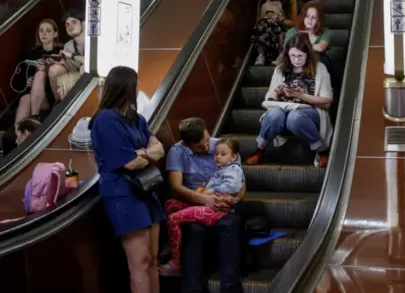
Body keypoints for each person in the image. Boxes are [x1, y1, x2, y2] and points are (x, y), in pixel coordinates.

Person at [90, 66, 166, 293]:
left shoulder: (137, 119)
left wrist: (143, 153)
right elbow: (129, 163)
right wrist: (144, 154)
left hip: (146, 189)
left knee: (153, 259)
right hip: (123, 194)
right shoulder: (106, 119)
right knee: (140, 261)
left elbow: (159, 149)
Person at [165, 117, 245, 293]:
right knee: (194, 231)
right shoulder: (178, 151)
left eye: (207, 140)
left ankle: (230, 288)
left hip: (225, 201)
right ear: (188, 145)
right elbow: (176, 187)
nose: (207, 147)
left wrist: (234, 199)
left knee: (228, 226)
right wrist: (203, 199)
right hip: (195, 201)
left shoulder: (223, 147)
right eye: (201, 145)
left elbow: (240, 182)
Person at [245, 33, 332, 168]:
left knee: (295, 117)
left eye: (300, 56)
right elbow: (270, 97)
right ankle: (260, 149)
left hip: (309, 112)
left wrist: (301, 95)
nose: (296, 60)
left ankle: (322, 150)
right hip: (283, 109)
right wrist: (277, 92)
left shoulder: (320, 68)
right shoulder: (281, 69)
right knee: (274, 114)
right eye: (292, 56)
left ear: (307, 54)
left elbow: (327, 102)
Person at [14, 19, 62, 122]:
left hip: (52, 94)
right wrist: (27, 82)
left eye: (48, 31)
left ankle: (35, 116)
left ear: (55, 34)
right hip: (33, 94)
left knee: (40, 74)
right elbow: (19, 81)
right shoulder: (32, 53)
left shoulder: (61, 51)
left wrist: (47, 69)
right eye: (41, 30)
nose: (44, 33)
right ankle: (19, 134)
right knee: (25, 98)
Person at [252, 0, 297, 66]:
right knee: (263, 24)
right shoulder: (263, 2)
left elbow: (294, 23)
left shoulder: (290, 1)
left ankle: (281, 54)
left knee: (272, 23)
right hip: (266, 31)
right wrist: (265, 18)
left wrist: (281, 19)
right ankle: (261, 54)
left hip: (283, 30)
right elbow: (258, 21)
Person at [49, 10, 85, 101]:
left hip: (96, 76)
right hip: (76, 73)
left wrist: (72, 55)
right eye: (67, 24)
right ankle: (59, 104)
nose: (70, 26)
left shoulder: (94, 40)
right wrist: (60, 63)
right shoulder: (68, 46)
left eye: (74, 22)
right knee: (54, 69)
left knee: (83, 69)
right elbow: (70, 67)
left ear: (83, 23)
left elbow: (92, 63)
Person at [251, 1, 286, 66]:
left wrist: (280, 19)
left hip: (278, 28)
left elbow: (289, 22)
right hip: (265, 29)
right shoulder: (264, 5)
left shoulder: (283, 5)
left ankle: (278, 55)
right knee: (261, 25)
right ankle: (261, 55)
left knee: (268, 24)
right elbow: (259, 18)